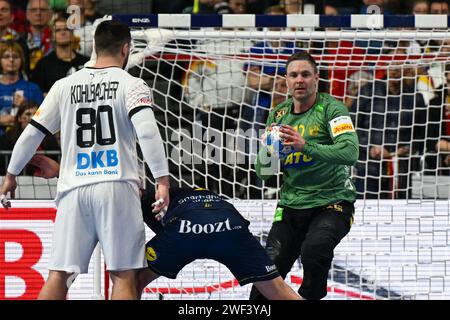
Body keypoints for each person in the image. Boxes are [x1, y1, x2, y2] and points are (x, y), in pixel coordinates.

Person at [0, 20, 170, 300]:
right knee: (124, 276)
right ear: (126, 49)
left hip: (73, 191)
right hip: (116, 186)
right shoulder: (132, 84)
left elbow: (31, 135)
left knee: (59, 276)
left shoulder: (63, 86)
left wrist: (11, 175)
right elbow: (148, 133)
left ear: (94, 47)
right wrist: (161, 179)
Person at [17, 153, 301, 300]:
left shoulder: (141, 193)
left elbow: (105, 181)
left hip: (185, 228)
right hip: (229, 221)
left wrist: (61, 170)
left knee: (130, 282)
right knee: (276, 288)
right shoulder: (183, 191)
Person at [250, 51, 359, 300]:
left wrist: (304, 146)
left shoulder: (332, 109)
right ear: (286, 81)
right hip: (291, 205)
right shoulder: (278, 114)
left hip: (333, 203)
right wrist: (268, 151)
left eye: (305, 74)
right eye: (294, 75)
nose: (300, 80)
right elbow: (263, 173)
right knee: (267, 272)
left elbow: (351, 152)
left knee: (315, 249)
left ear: (316, 78)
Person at [31, 13, 89, 94]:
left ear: (72, 33)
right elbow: (37, 93)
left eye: (66, 29)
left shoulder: (87, 62)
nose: (63, 33)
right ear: (52, 36)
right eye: (58, 30)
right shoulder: (43, 65)